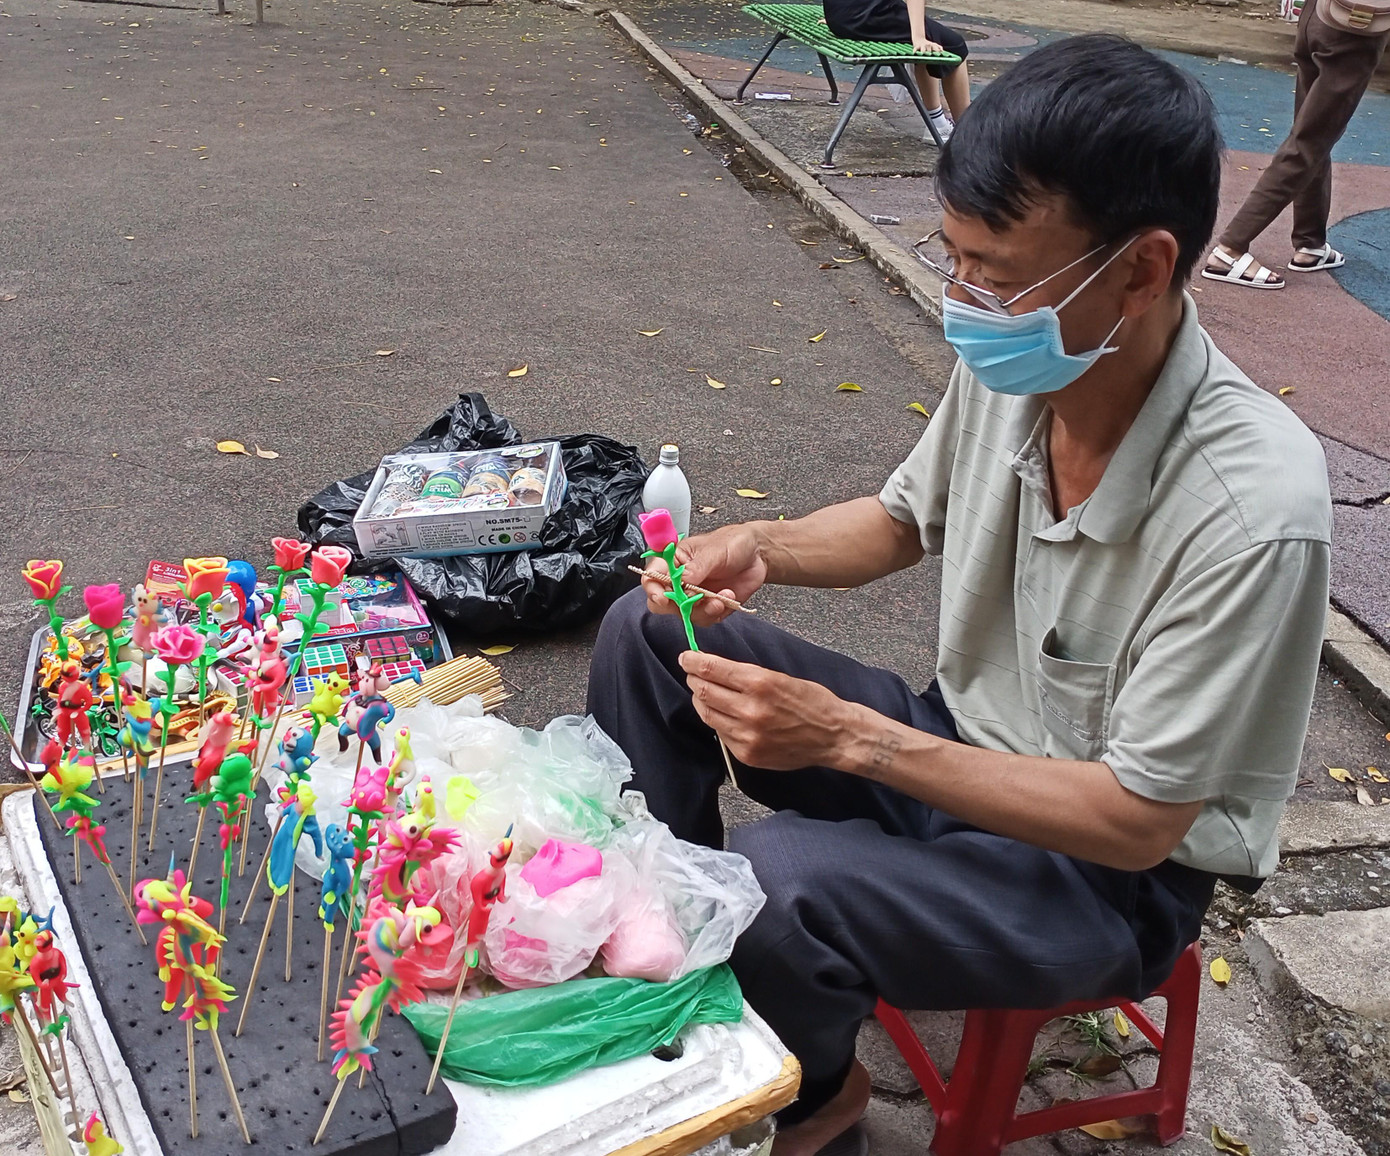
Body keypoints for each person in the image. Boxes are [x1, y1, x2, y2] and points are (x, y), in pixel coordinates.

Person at [588, 33, 1332, 1156]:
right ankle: (667, 967)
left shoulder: (1249, 508)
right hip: (960, 744)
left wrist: (846, 737)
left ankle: (816, 1094)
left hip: (1107, 877)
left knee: (784, 888)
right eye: (954, 255)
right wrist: (756, 543)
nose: (965, 295)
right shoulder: (1028, 355)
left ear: (1139, 268)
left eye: (996, 266)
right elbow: (901, 519)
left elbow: (1136, 819)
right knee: (646, 632)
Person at [1203, 0, 1390, 289]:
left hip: (1319, 16)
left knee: (1315, 133)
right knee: (1308, 142)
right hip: (1355, 25)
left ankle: (1310, 243)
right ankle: (1230, 249)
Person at [822, 0, 971, 140]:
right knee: (955, 46)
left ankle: (937, 122)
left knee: (929, 35)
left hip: (840, 16)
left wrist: (837, 13)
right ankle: (969, 134)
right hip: (866, 16)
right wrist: (918, 37)